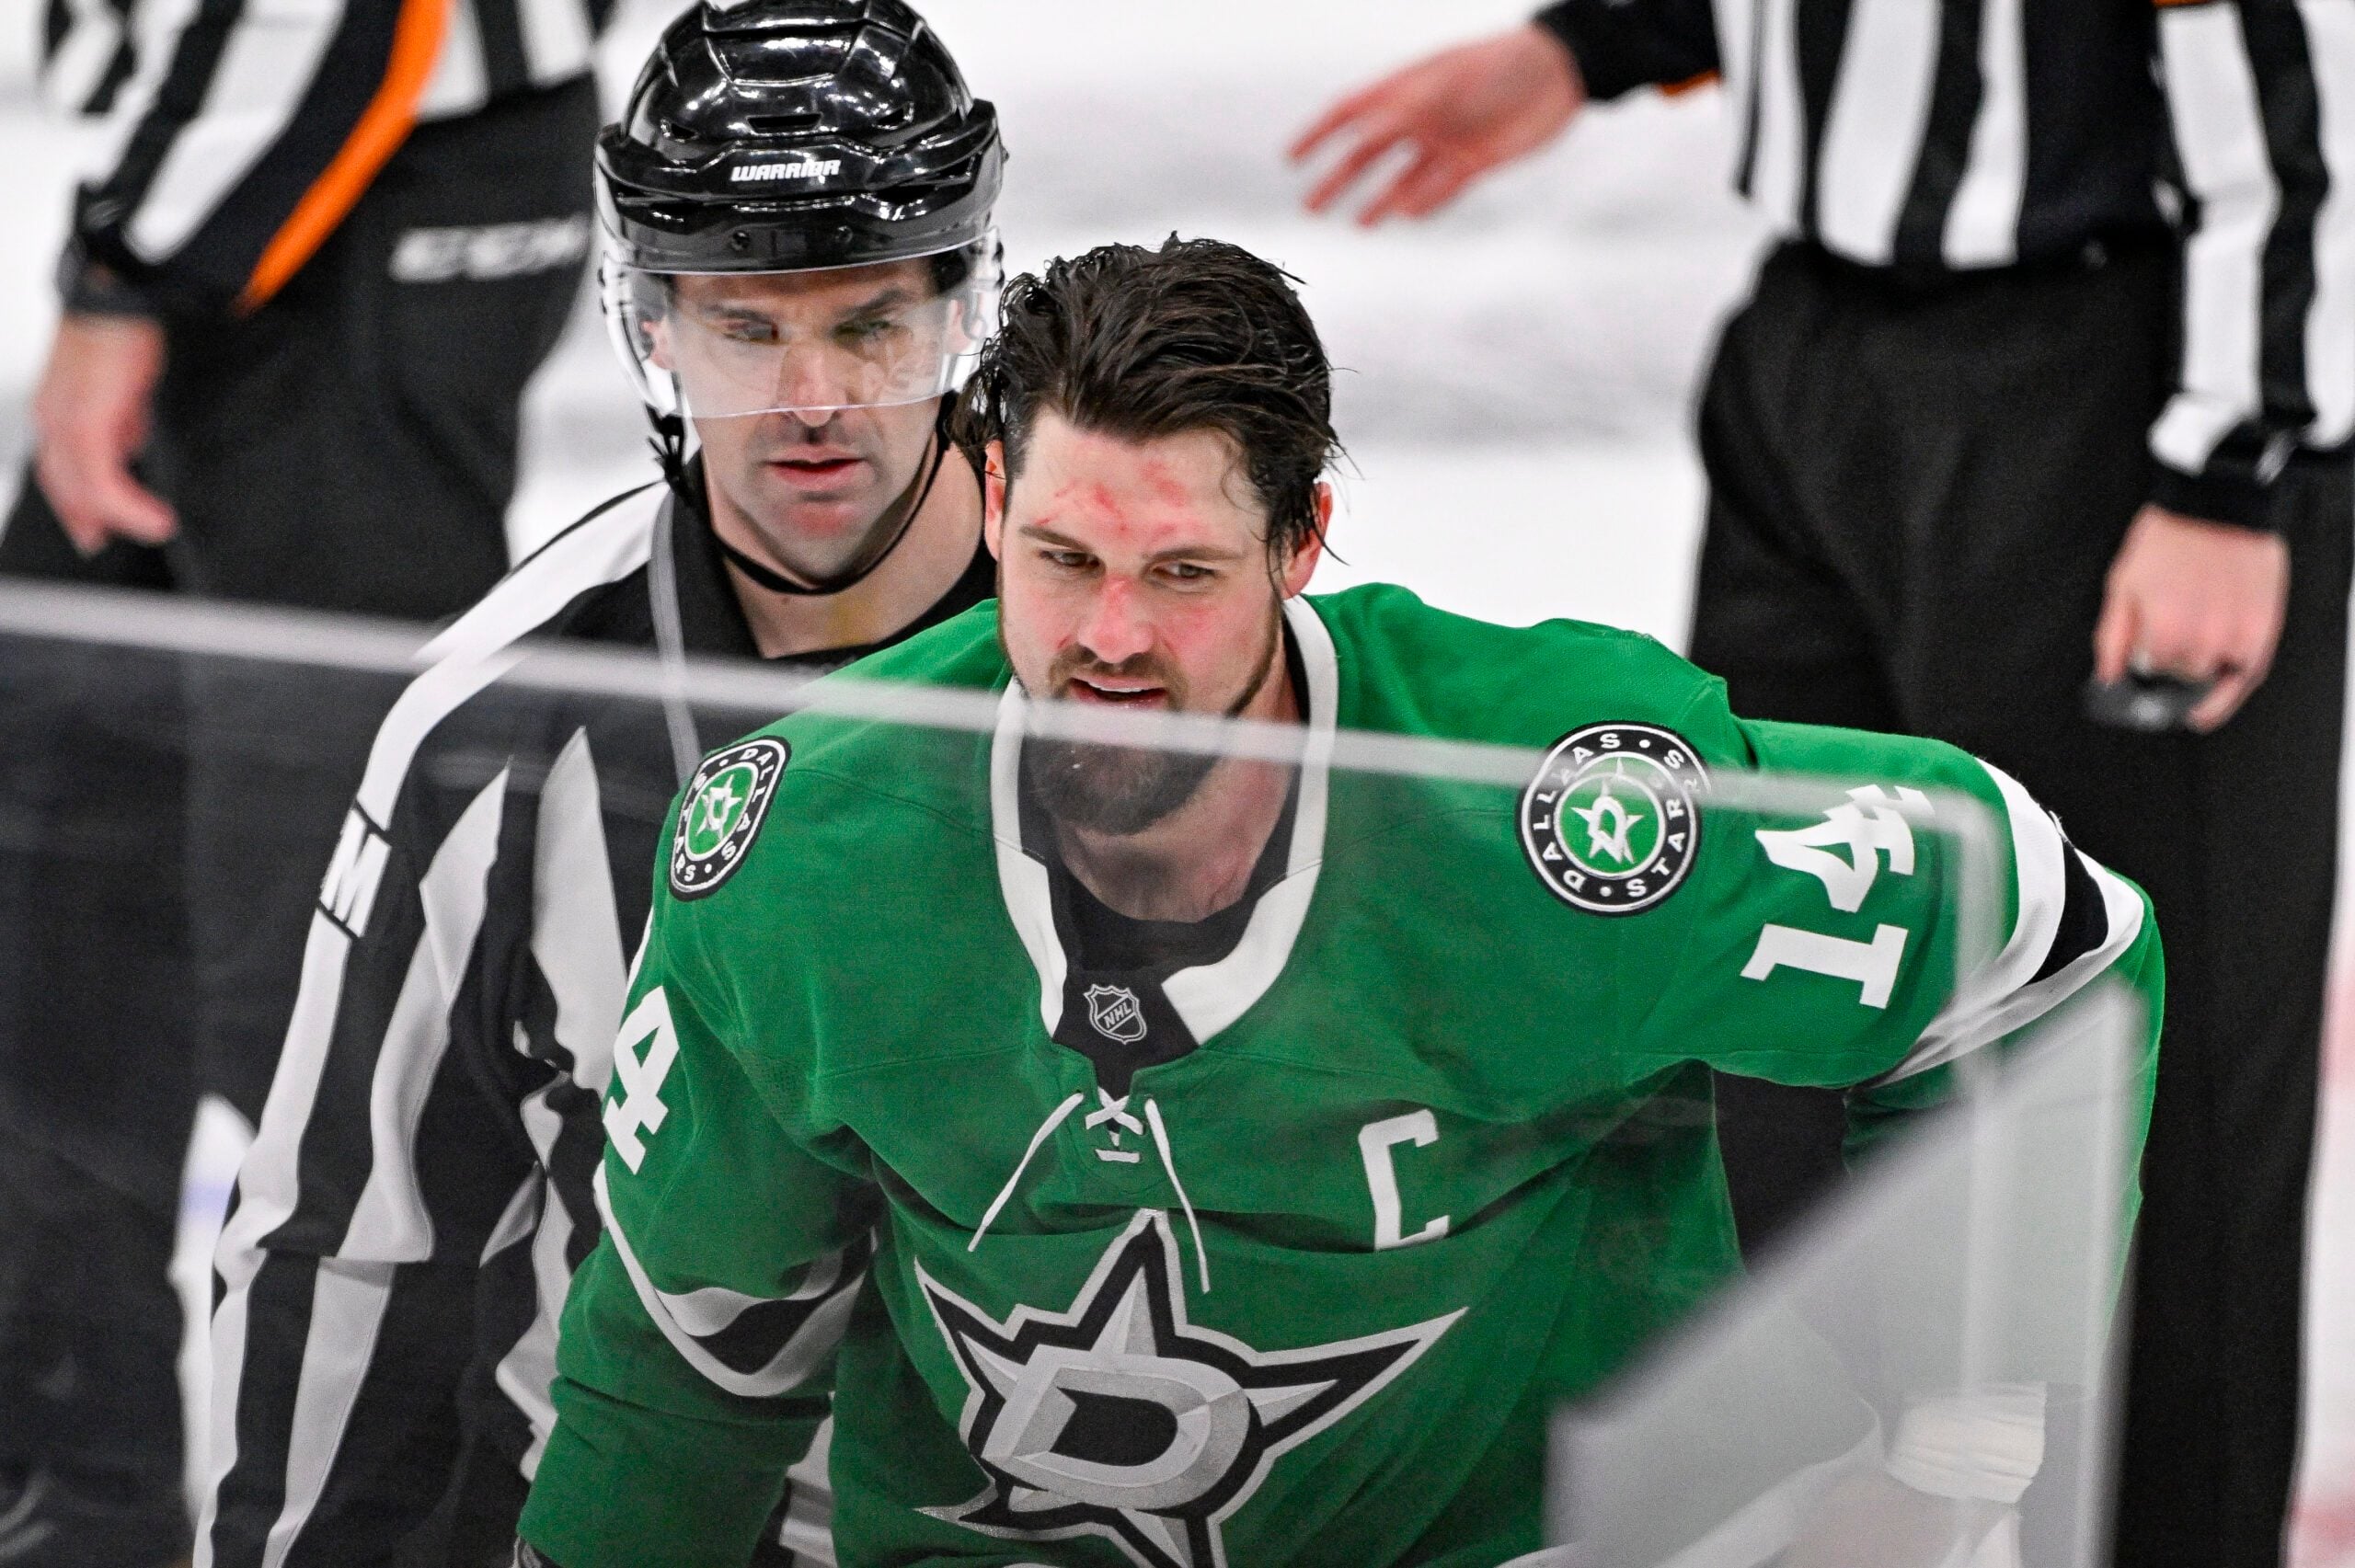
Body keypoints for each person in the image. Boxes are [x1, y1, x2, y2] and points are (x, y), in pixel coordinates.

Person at [511, 235, 2160, 1568]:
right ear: (995, 502)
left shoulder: (1559, 821)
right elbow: (680, 1366)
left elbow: (2047, 941)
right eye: (1066, 560)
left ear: (1303, 541)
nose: (1110, 644)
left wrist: (1948, 1460)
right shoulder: (801, 850)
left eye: (1181, 575)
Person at [1291, 9, 2350, 1563]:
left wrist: (2230, 464)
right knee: (1773, 997)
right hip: (1814, 347)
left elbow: (2283, 80)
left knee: (2136, 1054)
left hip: (2099, 378)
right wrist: (1595, 46)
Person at [196, 3, 1005, 1562]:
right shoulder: (496, 725)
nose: (810, 398)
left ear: (961, 312)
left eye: (869, 325)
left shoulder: (1146, 646)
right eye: (745, 327)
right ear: (654, 328)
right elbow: (350, 1244)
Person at [0, 0, 608, 1559]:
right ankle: (80, 1489)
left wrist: (134, 271)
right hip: (306, 164)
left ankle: (400, 1523)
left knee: (333, 980)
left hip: (335, 165)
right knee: (71, 882)